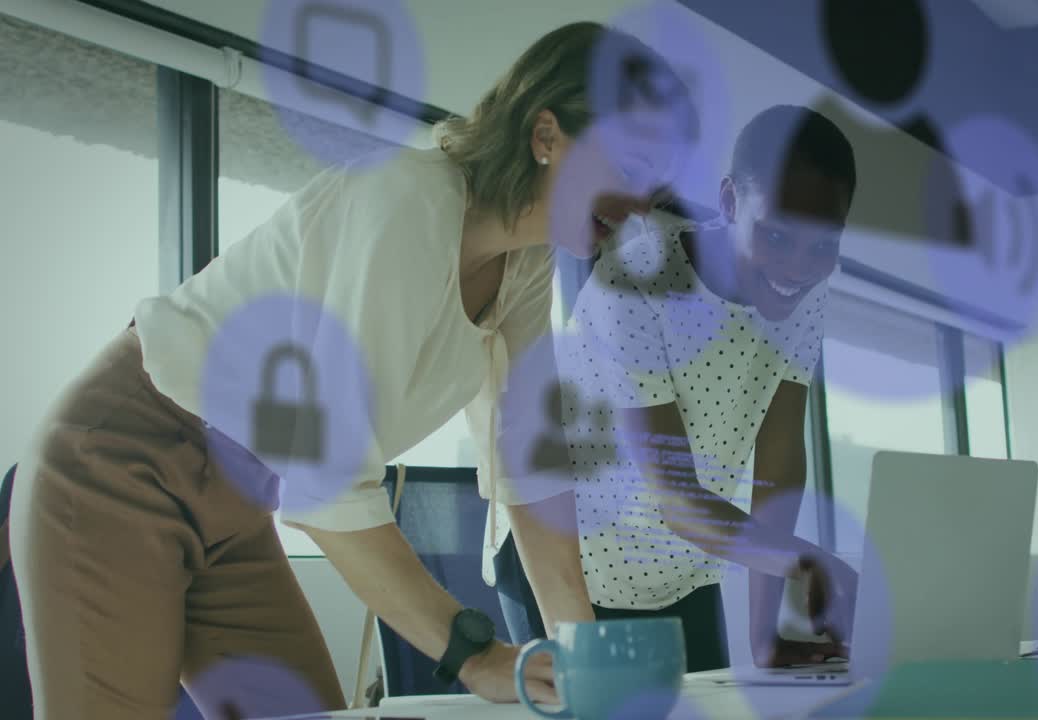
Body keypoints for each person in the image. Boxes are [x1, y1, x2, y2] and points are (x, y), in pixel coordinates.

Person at [9, 22, 683, 720]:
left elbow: (530, 465)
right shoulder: (405, 202)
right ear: (547, 137)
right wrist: (474, 656)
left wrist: (586, 664)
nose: (638, 210)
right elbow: (325, 481)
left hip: (240, 499)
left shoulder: (527, 261)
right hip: (121, 460)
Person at [495, 105, 860, 672]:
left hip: (684, 569)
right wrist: (811, 563)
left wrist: (765, 637)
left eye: (821, 245)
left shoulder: (804, 292)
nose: (798, 264)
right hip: (572, 561)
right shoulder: (640, 274)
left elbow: (779, 467)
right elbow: (675, 497)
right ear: (731, 202)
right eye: (777, 233)